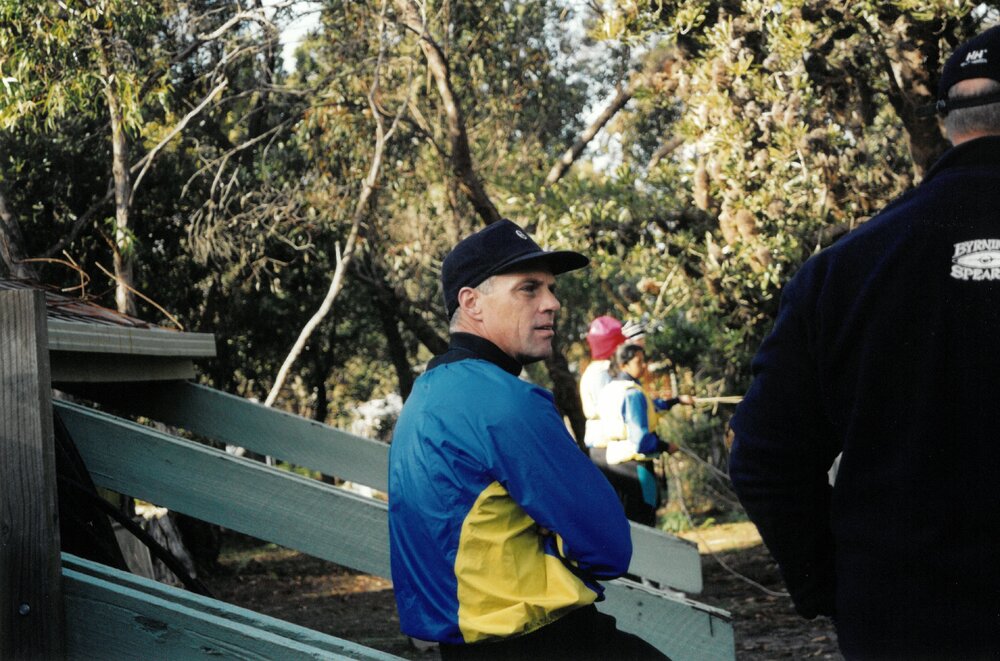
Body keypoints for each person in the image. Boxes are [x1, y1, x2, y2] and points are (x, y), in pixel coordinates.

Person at [728, 26, 1000, 659]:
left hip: (906, 624)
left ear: (944, 121)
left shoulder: (843, 271)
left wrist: (840, 584)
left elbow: (763, 456)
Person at [387, 219, 666, 660]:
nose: (552, 303)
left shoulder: (426, 394)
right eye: (529, 289)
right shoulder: (507, 402)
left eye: (552, 289)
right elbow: (610, 547)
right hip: (541, 642)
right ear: (472, 302)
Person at [596, 342, 693, 526]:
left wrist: (677, 400)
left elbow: (653, 406)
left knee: (626, 521)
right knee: (645, 517)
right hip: (636, 465)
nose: (644, 366)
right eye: (639, 361)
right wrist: (665, 446)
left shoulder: (610, 389)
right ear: (624, 365)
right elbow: (641, 440)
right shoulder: (632, 393)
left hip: (613, 462)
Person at [580, 315, 627, 449]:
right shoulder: (601, 373)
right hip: (605, 443)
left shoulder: (599, 370)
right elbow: (610, 408)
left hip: (607, 441)